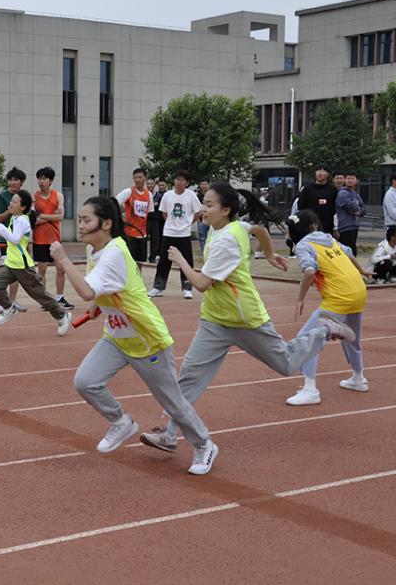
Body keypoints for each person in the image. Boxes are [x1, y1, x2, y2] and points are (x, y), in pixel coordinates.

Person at [139, 183, 355, 450]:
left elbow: (202, 283)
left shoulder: (228, 240)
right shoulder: (235, 227)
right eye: (204, 203)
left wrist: (180, 261)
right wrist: (269, 253)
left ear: (226, 210)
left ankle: (324, 330)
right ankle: (169, 434)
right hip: (215, 321)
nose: (203, 209)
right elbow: (260, 230)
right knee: (189, 378)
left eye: (209, 205)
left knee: (286, 364)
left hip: (246, 320)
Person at [49, 196, 218, 475]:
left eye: (86, 220)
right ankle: (121, 422)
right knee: (86, 381)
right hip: (117, 336)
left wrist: (64, 260)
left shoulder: (114, 251)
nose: (80, 225)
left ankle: (204, 444)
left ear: (106, 223)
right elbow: (105, 290)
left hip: (146, 338)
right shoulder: (96, 250)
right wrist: (98, 307)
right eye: (79, 219)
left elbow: (88, 289)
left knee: (171, 401)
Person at [286, 210, 375, 405]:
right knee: (351, 336)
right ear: (314, 225)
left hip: (339, 297)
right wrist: (362, 271)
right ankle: (358, 379)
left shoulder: (303, 245)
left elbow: (309, 271)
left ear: (293, 232)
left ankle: (310, 390)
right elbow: (349, 252)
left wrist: (300, 299)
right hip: (358, 290)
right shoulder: (328, 238)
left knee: (307, 338)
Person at [0, 189, 72, 334]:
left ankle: (62, 314)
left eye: (14, 202)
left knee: (39, 295)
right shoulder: (15, 218)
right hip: (11, 264)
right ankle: (9, 308)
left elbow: (15, 239)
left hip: (23, 267)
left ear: (23, 207)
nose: (10, 204)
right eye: (11, 201)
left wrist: (1, 229)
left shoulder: (22, 220)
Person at [149, 170, 201, 299]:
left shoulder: (191, 195)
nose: (179, 182)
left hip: (184, 233)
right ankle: (158, 287)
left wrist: (187, 223)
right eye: (177, 179)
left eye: (182, 180)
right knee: (164, 260)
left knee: (186, 260)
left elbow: (197, 212)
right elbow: (164, 213)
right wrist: (172, 224)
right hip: (169, 232)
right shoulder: (167, 195)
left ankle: (187, 288)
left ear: (187, 183)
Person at [32, 166, 73, 309]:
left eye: (44, 178)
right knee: (42, 270)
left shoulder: (58, 196)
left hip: (54, 238)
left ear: (50, 181)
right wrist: (52, 217)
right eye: (39, 178)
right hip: (39, 238)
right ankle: (45, 300)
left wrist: (42, 216)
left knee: (60, 268)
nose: (41, 181)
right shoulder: (34, 197)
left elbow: (61, 216)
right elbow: (34, 220)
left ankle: (59, 297)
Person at [0, 167, 27, 312]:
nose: (13, 182)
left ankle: (12, 301)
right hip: (5, 238)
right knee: (5, 271)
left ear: (21, 182)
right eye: (10, 179)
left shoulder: (24, 197)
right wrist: (10, 210)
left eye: (16, 180)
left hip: (20, 240)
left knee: (17, 272)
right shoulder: (2, 196)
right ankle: (2, 302)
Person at [115, 168, 153, 270]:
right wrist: (122, 216)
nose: (137, 180)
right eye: (135, 177)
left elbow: (149, 213)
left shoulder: (149, 195)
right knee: (129, 260)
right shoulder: (128, 192)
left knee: (140, 261)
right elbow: (114, 203)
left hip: (142, 234)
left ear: (145, 178)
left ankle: (138, 279)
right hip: (129, 233)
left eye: (140, 177)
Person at [297, 165, 338, 240]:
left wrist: (336, 227)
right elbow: (300, 206)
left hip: (327, 226)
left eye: (323, 171)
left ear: (328, 174)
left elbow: (335, 209)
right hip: (310, 225)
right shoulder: (307, 189)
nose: (320, 173)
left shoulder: (333, 190)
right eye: (318, 170)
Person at [336, 172, 366, 256]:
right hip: (344, 227)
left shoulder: (355, 194)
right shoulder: (342, 193)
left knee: (352, 251)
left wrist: (358, 211)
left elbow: (363, 210)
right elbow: (354, 207)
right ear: (345, 180)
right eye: (348, 178)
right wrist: (357, 209)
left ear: (357, 181)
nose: (350, 180)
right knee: (349, 252)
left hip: (354, 226)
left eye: (352, 178)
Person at [147, 179, 165, 263]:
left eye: (152, 184)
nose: (150, 185)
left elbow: (162, 209)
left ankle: (153, 257)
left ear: (155, 185)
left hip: (156, 221)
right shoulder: (144, 195)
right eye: (148, 184)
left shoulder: (159, 196)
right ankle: (143, 256)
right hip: (145, 221)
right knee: (143, 239)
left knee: (155, 240)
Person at [196, 179, 211, 256]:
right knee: (202, 238)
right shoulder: (198, 196)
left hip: (212, 220)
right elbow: (195, 209)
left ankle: (211, 253)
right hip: (202, 220)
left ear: (209, 184)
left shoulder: (213, 194)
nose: (203, 186)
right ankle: (204, 254)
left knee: (213, 237)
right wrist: (198, 219)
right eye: (202, 184)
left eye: (205, 184)